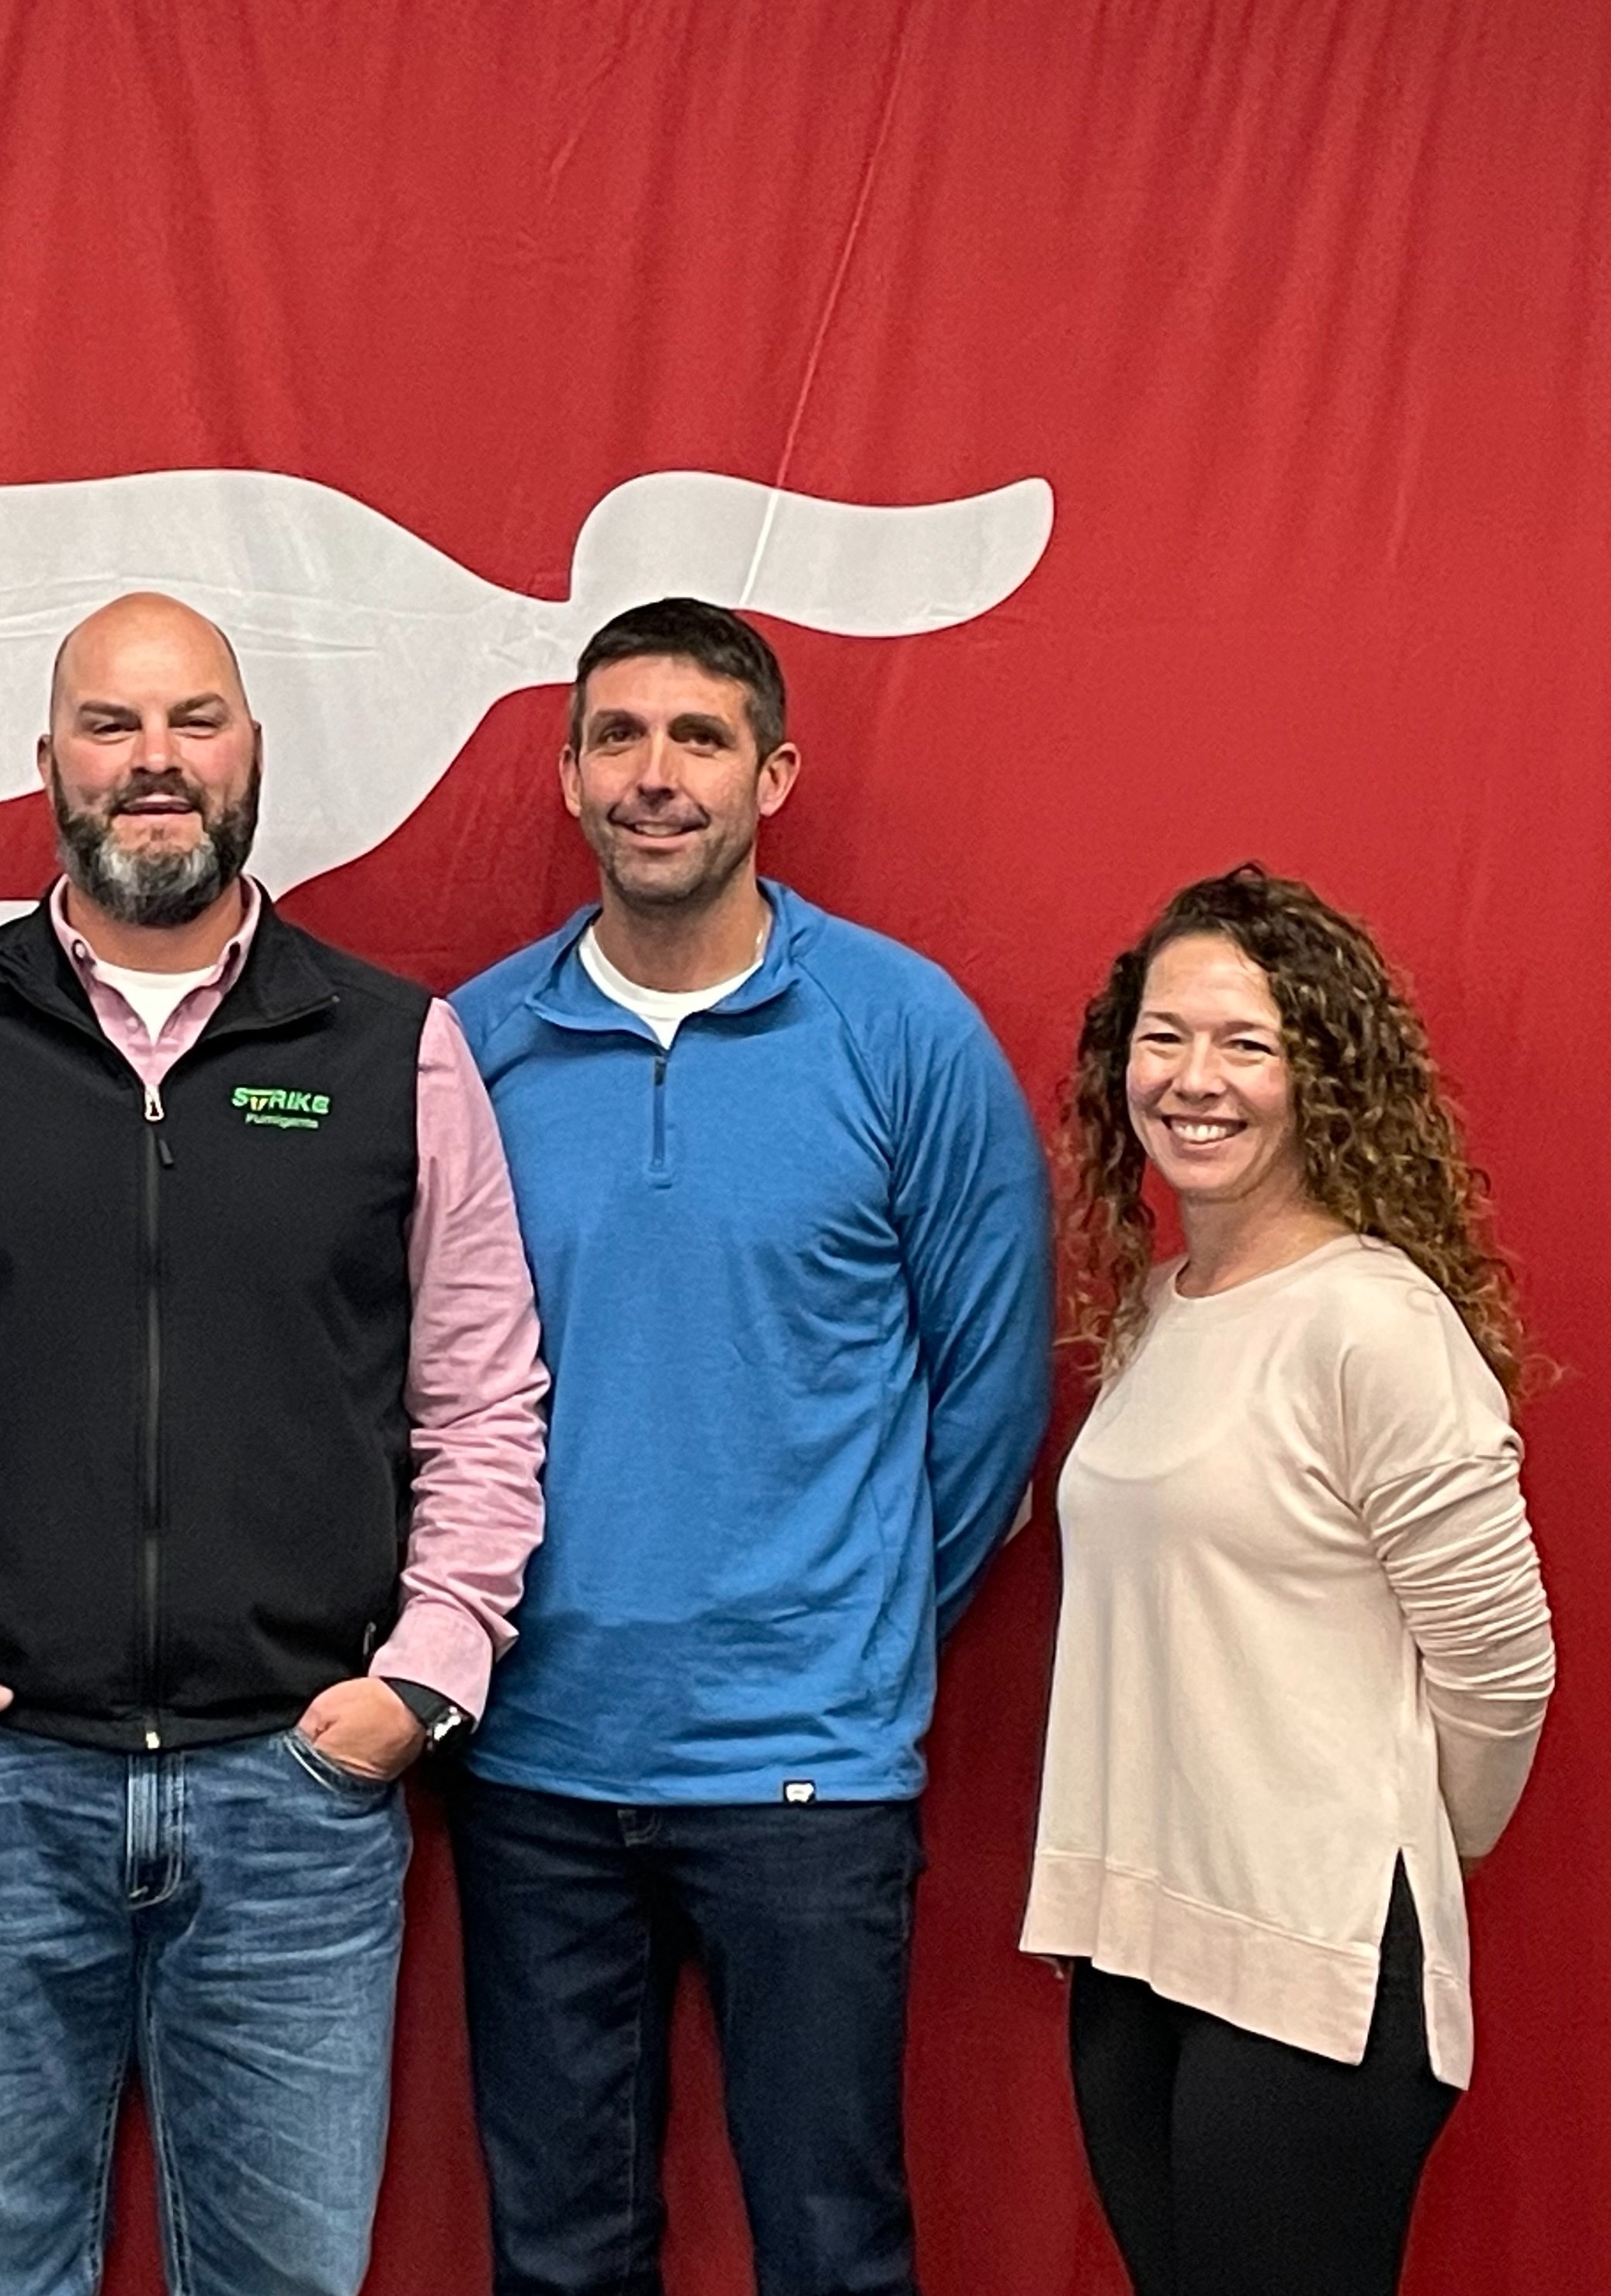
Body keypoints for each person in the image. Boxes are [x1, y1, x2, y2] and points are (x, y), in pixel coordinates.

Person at [0, 590, 547, 2296]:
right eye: (112, 725)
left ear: (253, 753)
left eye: (194, 722)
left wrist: (425, 1672)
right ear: (49, 762)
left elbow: (483, 1396)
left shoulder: (394, 1049)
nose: (154, 761)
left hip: (298, 1798)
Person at [447, 598, 1053, 2296]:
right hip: (535, 1757)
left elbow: (991, 1393)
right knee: (562, 2258)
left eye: (699, 738)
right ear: (568, 774)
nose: (657, 776)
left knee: (833, 2250)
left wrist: (849, 1622)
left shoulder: (903, 1032)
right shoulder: (472, 1047)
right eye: (619, 737)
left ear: (772, 775)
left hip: (808, 1771)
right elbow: (405, 1380)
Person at [1021, 865, 1554, 2296]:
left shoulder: (1375, 1326)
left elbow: (1502, 1672)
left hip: (1311, 1968)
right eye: (1164, 1036)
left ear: (1322, 1074)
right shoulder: (1158, 1308)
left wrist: (1370, 1854)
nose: (1195, 1079)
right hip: (1137, 1942)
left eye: (1245, 1043)